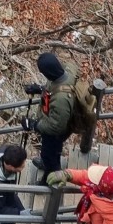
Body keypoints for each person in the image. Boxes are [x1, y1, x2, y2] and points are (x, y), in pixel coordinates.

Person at [26, 53, 79, 183]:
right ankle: (47, 163)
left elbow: (56, 126)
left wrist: (33, 125)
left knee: (50, 155)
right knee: (50, 153)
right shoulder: (63, 73)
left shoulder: (61, 99)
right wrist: (39, 89)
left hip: (56, 132)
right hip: (58, 122)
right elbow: (52, 88)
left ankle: (50, 179)